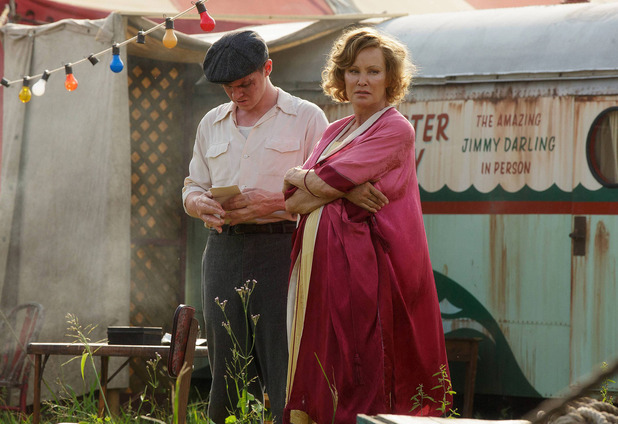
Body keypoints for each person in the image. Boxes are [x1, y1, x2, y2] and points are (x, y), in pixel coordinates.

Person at [282, 27, 451, 423]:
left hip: (369, 277)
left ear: (390, 80)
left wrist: (307, 178)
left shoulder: (395, 129)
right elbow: (291, 200)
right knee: (322, 371)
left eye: (373, 72)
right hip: (322, 276)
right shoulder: (332, 132)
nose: (362, 80)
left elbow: (315, 186)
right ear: (341, 76)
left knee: (360, 375)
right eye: (354, 70)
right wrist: (344, 190)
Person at [182, 30, 328, 423]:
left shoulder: (307, 117)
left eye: (245, 84)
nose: (237, 94)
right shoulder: (211, 122)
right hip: (222, 250)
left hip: (282, 248)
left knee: (283, 358)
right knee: (226, 359)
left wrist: (277, 202)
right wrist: (199, 204)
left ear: (268, 68)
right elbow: (192, 184)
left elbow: (326, 190)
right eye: (228, 88)